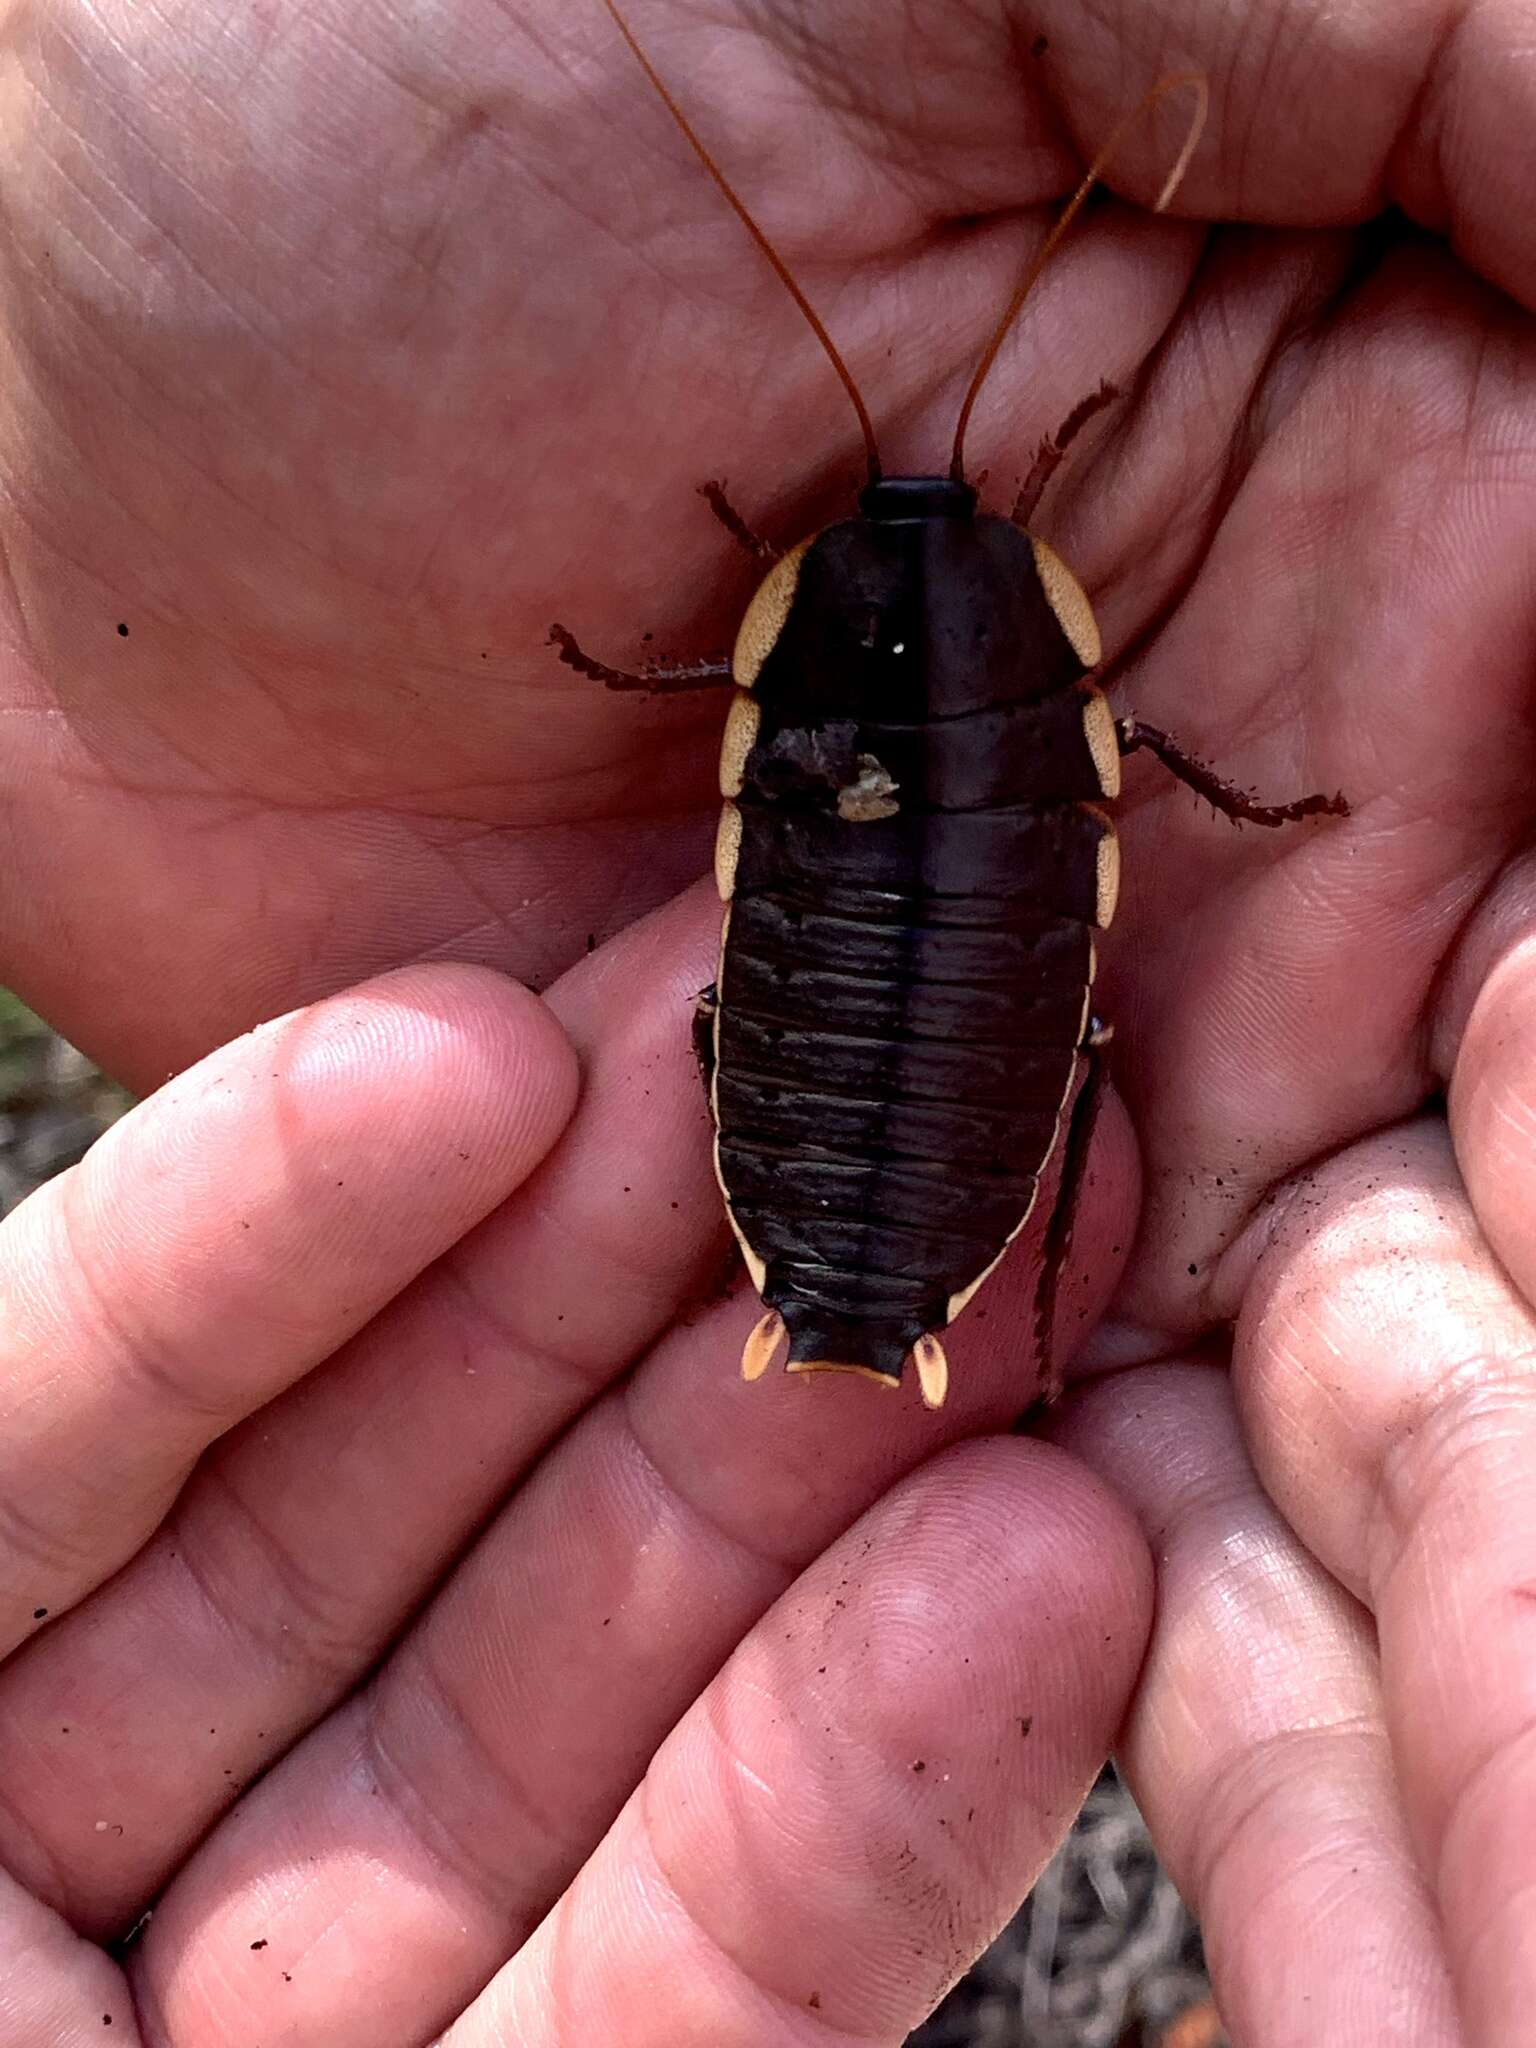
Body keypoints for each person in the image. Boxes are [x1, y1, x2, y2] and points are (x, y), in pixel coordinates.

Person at [0, 2, 1529, 2040]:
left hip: (842, 1047)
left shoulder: (819, 705)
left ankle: (907, 1288)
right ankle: (944, 1301)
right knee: (1027, 1056)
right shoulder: (1055, 713)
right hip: (945, 1038)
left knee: (925, 1033)